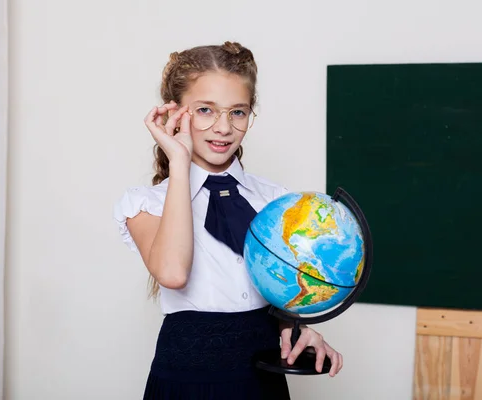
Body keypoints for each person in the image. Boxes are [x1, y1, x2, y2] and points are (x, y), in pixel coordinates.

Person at [113, 41, 343, 399]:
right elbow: (173, 274)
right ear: (175, 114)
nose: (223, 127)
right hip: (186, 379)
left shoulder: (275, 201)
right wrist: (178, 160)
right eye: (205, 110)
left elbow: (281, 286)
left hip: (260, 378)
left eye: (238, 112)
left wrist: (295, 328)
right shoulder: (145, 204)